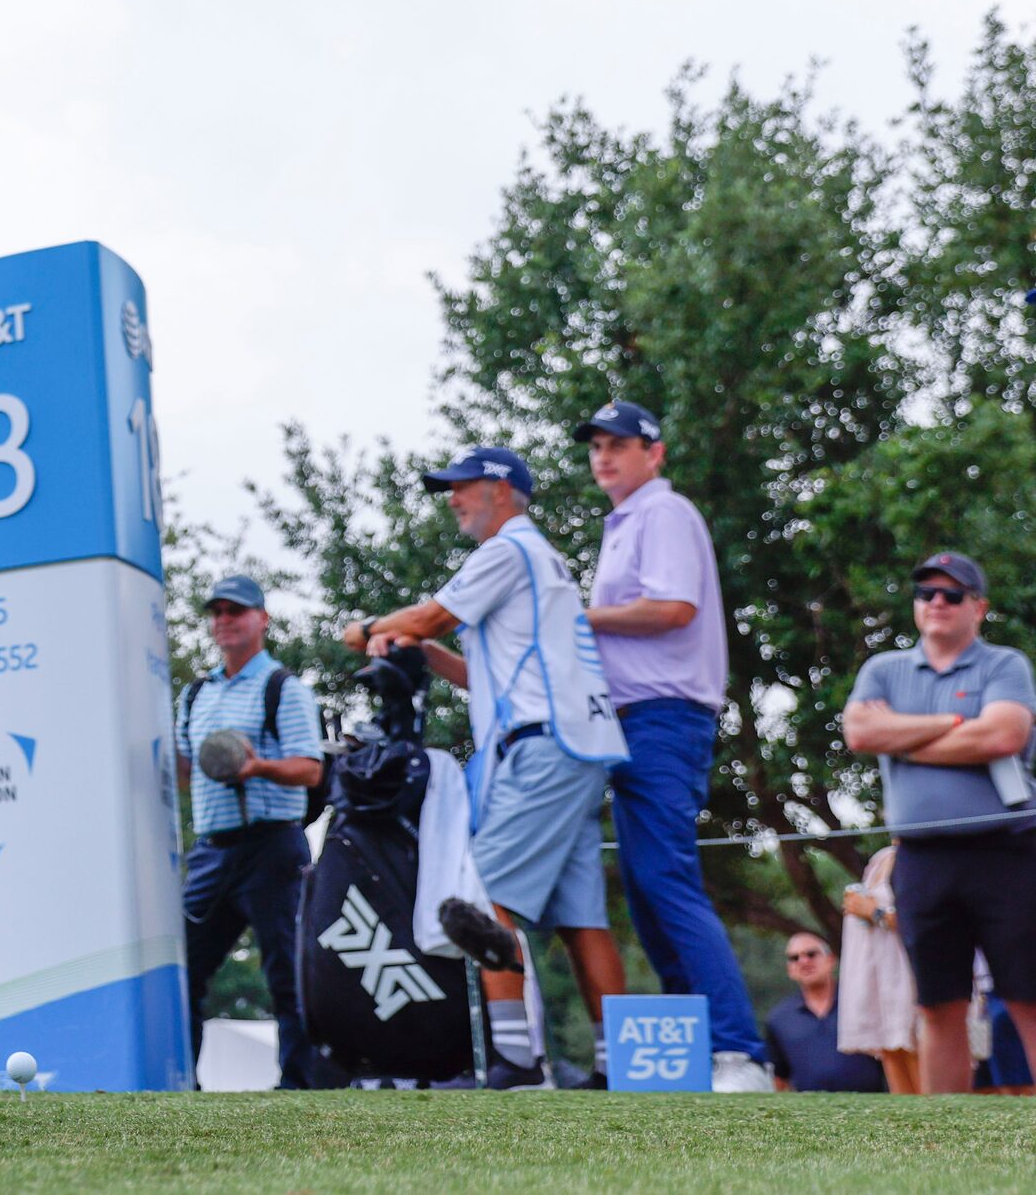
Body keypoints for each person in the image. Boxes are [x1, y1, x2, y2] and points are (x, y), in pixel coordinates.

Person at [342, 445, 629, 1088]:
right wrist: (424, 646)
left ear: (501, 490)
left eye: (462, 486)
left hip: (543, 748)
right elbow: (482, 676)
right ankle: (619, 1066)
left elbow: (431, 614)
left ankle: (514, 1060)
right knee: (582, 917)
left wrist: (367, 629)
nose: (453, 498)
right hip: (573, 746)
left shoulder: (508, 550)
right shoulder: (536, 556)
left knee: (484, 898)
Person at [573, 400, 771, 1093]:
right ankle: (697, 1052)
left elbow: (671, 608)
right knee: (649, 891)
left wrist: (573, 614)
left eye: (619, 444)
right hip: (631, 718)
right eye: (597, 445)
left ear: (654, 453)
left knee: (667, 884)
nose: (605, 455)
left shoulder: (663, 512)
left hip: (664, 714)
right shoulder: (626, 522)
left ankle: (737, 1052)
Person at [840, 551, 1036, 1095]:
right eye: (927, 593)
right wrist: (954, 723)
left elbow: (1001, 736)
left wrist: (902, 737)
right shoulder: (883, 669)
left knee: (1027, 996)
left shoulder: (1005, 665)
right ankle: (944, 1138)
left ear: (979, 607)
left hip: (1007, 852)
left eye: (953, 595)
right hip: (921, 859)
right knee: (937, 1003)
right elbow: (860, 734)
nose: (938, 603)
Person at [175, 573, 325, 1089]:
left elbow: (310, 770)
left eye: (235, 611)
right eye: (216, 612)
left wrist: (255, 767)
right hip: (213, 851)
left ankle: (302, 1083)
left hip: (272, 846)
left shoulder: (283, 688)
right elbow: (184, 769)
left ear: (261, 618)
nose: (224, 621)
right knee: (184, 971)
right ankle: (181, 1082)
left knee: (288, 971)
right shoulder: (196, 694)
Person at [838, 844, 921, 1093]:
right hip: (875, 972)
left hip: (908, 972)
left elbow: (927, 917)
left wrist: (874, 913)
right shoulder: (881, 858)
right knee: (891, 1048)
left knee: (913, 1043)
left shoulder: (927, 855)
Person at [765, 931, 886, 1092]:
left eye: (811, 954)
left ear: (831, 960)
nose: (803, 961)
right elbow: (780, 1078)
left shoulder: (864, 1003)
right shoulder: (778, 1018)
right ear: (790, 970)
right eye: (794, 958)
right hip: (808, 1113)